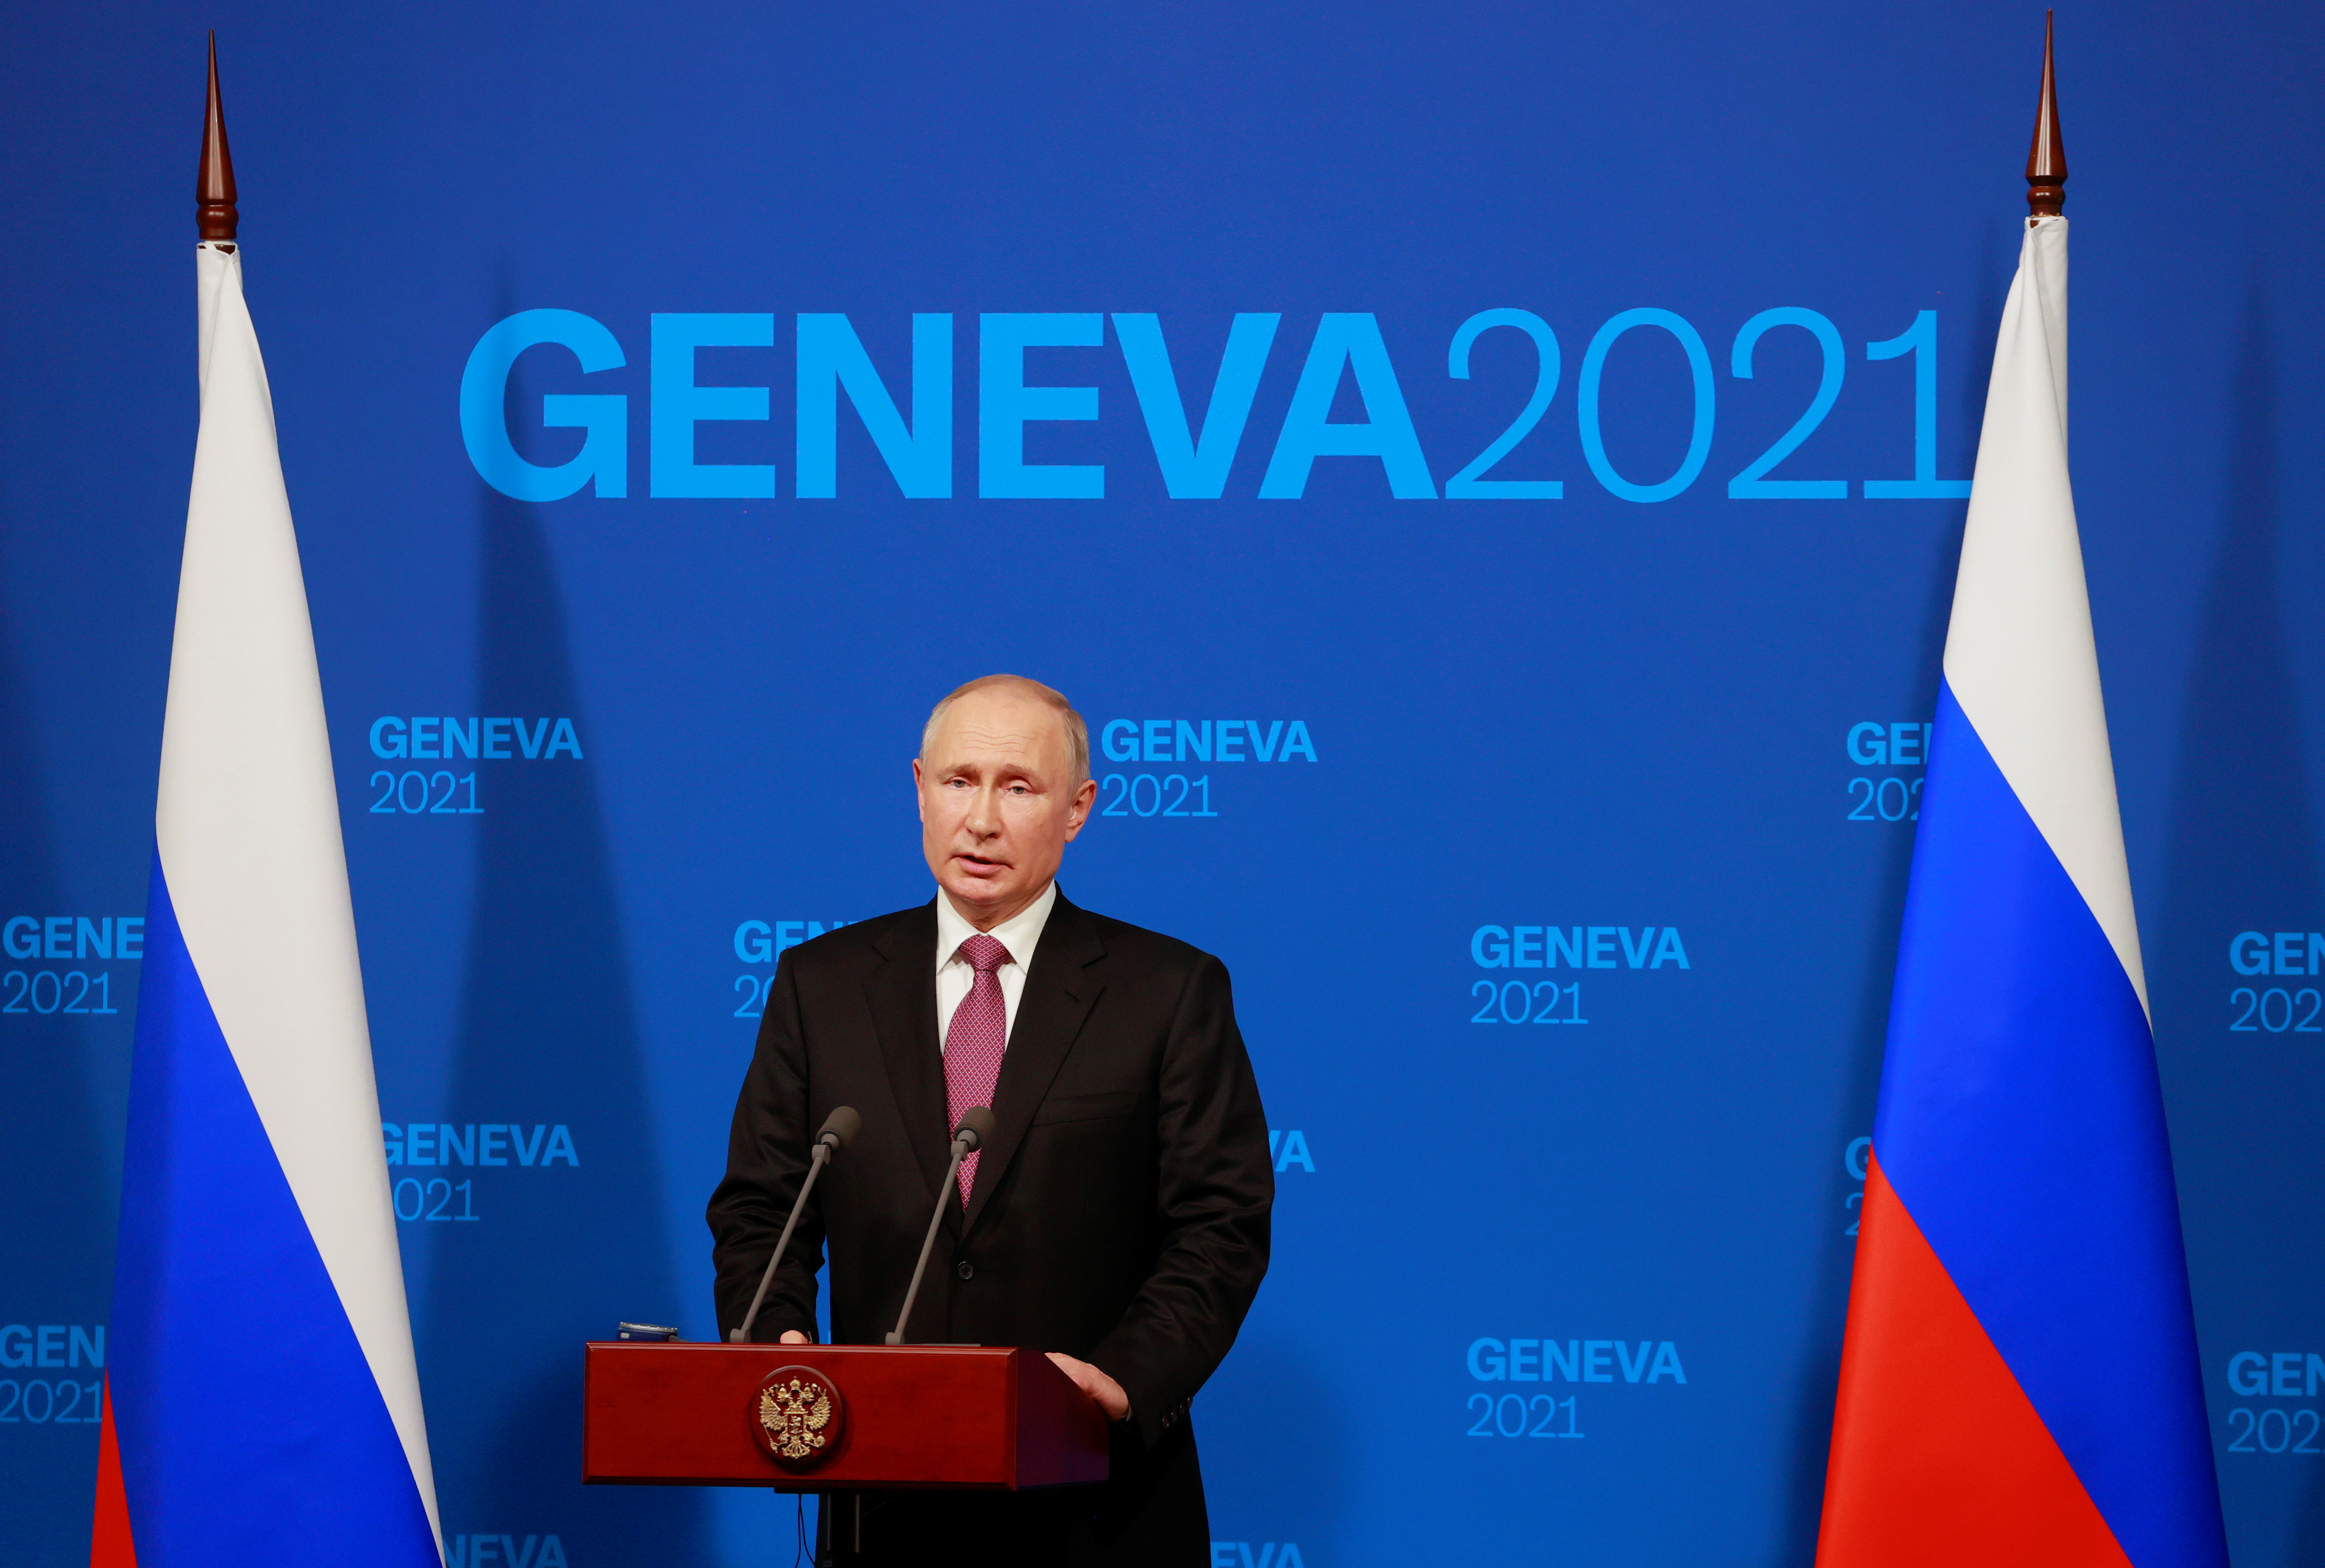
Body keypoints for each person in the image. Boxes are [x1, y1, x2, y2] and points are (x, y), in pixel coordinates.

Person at [708, 674, 1273, 1566]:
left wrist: (1120, 1379)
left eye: (1018, 787)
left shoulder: (1168, 992)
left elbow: (1221, 1226)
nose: (980, 820)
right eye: (958, 781)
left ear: (1078, 808)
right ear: (919, 789)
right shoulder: (821, 985)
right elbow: (761, 1208)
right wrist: (781, 1345)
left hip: (1098, 1502)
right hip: (882, 1504)